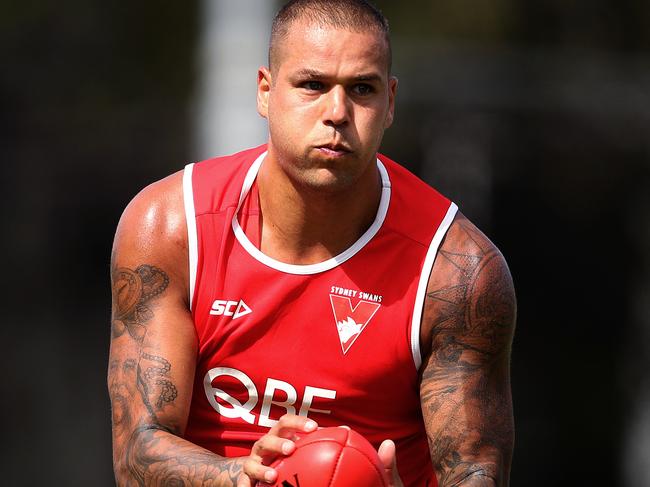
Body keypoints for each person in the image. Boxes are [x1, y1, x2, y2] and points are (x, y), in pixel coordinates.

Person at [108, 0, 516, 486]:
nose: (337, 113)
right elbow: (136, 453)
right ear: (265, 91)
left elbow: (474, 473)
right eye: (312, 85)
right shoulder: (171, 227)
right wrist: (242, 477)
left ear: (390, 102)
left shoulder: (456, 271)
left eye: (361, 89)